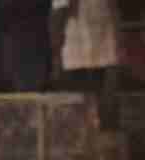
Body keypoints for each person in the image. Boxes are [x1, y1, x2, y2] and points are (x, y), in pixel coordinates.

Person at [51, 0, 124, 128]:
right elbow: (60, 13)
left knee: (95, 108)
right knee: (84, 108)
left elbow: (59, 13)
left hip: (97, 53)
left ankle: (97, 134)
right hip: (80, 53)